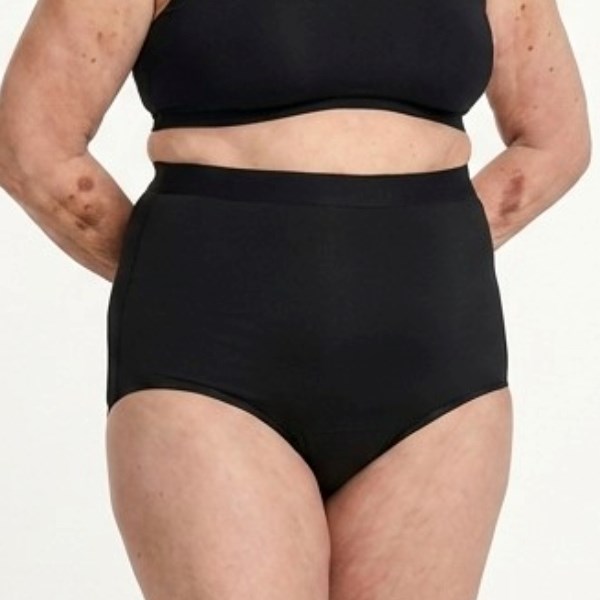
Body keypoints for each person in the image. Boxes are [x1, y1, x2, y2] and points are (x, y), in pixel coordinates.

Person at [0, 0, 590, 598]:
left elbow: (554, 140)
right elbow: (31, 143)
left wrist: (427, 248)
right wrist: (176, 269)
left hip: (438, 367)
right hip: (210, 365)